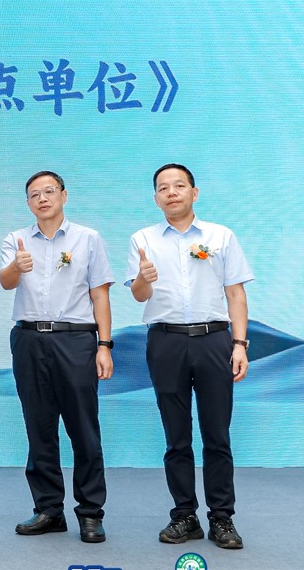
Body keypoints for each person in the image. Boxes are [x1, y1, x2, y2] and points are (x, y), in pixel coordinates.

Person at [126, 163, 252, 550]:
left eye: (179, 185)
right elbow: (139, 295)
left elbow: (236, 294)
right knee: (176, 436)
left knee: (217, 435)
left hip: (213, 340)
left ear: (194, 193)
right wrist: (144, 278)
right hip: (166, 342)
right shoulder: (143, 239)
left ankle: (222, 518)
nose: (172, 192)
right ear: (156, 198)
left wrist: (239, 344)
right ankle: (184, 515)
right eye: (163, 187)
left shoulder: (220, 236)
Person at [0, 171, 114, 543]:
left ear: (64, 195)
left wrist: (104, 345)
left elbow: (100, 294)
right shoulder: (16, 239)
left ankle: (91, 513)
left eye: (49, 191)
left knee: (83, 428)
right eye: (34, 194)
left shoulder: (88, 238)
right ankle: (48, 509)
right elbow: (6, 281)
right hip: (29, 339)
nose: (43, 199)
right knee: (39, 428)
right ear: (28, 203)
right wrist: (16, 266)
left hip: (76, 340)